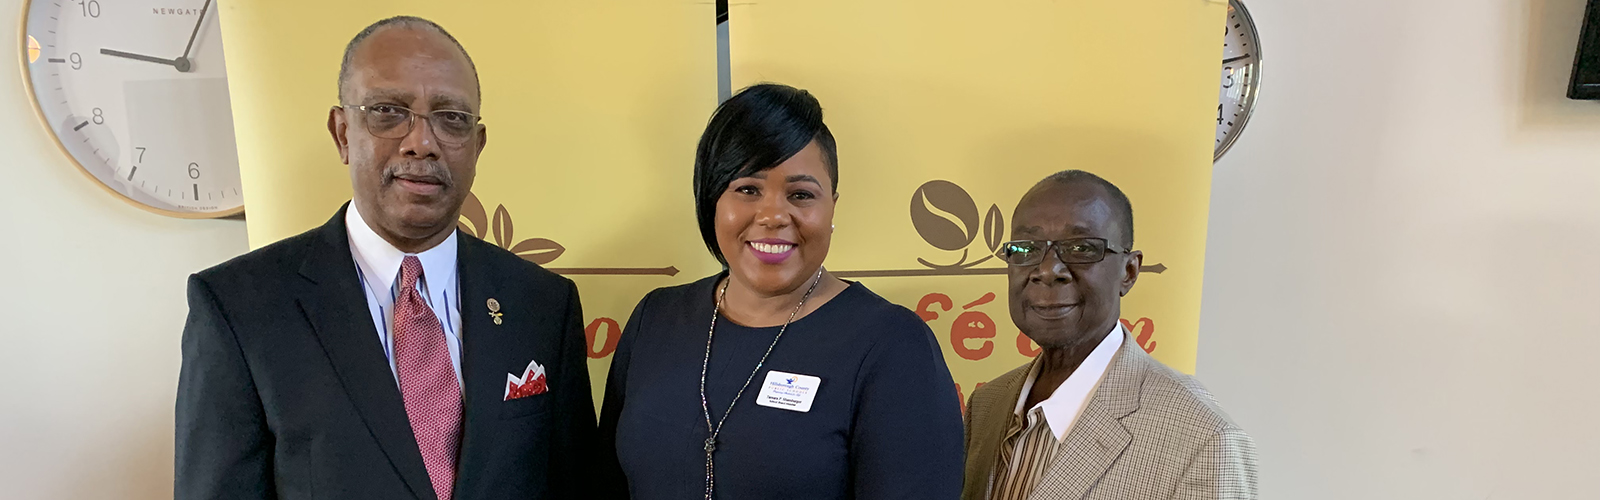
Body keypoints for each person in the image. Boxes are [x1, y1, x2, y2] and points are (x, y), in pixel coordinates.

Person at [174, 16, 595, 500]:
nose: (422, 142)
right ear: (342, 134)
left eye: (451, 118)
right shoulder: (239, 307)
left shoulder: (542, 302)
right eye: (388, 112)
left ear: (476, 146)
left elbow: (575, 484)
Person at [594, 83, 964, 499]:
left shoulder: (893, 344)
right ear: (712, 198)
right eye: (748, 189)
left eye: (801, 194)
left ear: (832, 208)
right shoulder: (656, 319)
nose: (773, 215)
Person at [961, 171, 1258, 500]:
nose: (1047, 270)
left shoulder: (1203, 438)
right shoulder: (986, 407)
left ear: (1129, 272)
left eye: (1081, 248)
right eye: (1026, 248)